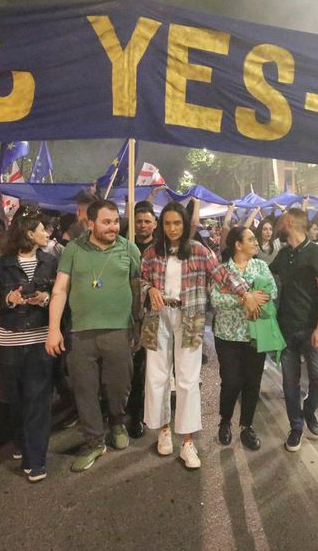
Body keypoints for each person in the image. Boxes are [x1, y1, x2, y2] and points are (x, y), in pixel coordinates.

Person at [141, 202, 260, 468]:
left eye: (177, 223)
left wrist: (246, 293)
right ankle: (162, 432)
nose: (172, 229)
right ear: (161, 225)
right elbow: (141, 279)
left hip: (190, 318)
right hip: (157, 317)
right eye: (167, 223)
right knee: (157, 376)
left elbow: (222, 274)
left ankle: (187, 442)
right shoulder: (150, 252)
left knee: (187, 380)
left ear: (185, 225)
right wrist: (149, 289)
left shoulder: (198, 251)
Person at [46, 199, 140, 472]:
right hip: (81, 333)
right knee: (85, 390)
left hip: (119, 331)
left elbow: (137, 288)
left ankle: (117, 421)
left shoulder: (129, 248)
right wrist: (53, 330)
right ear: (91, 223)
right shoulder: (73, 250)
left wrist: (138, 324)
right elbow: (60, 290)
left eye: (116, 221)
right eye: (106, 222)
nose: (113, 227)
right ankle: (94, 442)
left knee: (118, 386)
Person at [0, 214, 58, 483]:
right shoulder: (0, 265)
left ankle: (36, 459)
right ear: (29, 233)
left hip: (40, 338)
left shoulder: (52, 262)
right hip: (8, 341)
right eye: (43, 230)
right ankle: (21, 441)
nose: (48, 234)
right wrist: (9, 299)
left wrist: (44, 299)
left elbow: (59, 296)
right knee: (16, 399)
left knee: (38, 399)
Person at [211, 227, 278, 451]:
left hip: (254, 335)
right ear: (238, 245)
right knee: (231, 381)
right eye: (250, 239)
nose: (255, 242)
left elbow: (272, 292)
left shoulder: (261, 266)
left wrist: (244, 295)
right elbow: (215, 300)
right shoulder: (222, 270)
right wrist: (244, 299)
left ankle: (246, 425)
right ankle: (225, 421)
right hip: (227, 336)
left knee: (252, 383)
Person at [269, 208, 318, 453]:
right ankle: (296, 426)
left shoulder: (316, 253)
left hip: (312, 329)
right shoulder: (284, 255)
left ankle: (309, 410)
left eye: (282, 221)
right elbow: (266, 274)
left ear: (289, 222)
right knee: (289, 383)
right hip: (286, 329)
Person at [126, 201, 157, 439]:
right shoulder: (124, 247)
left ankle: (147, 414)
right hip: (126, 315)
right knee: (132, 368)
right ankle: (131, 414)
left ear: (155, 224)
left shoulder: (162, 249)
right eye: (139, 221)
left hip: (154, 316)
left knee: (151, 367)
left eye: (147, 221)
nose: (143, 225)